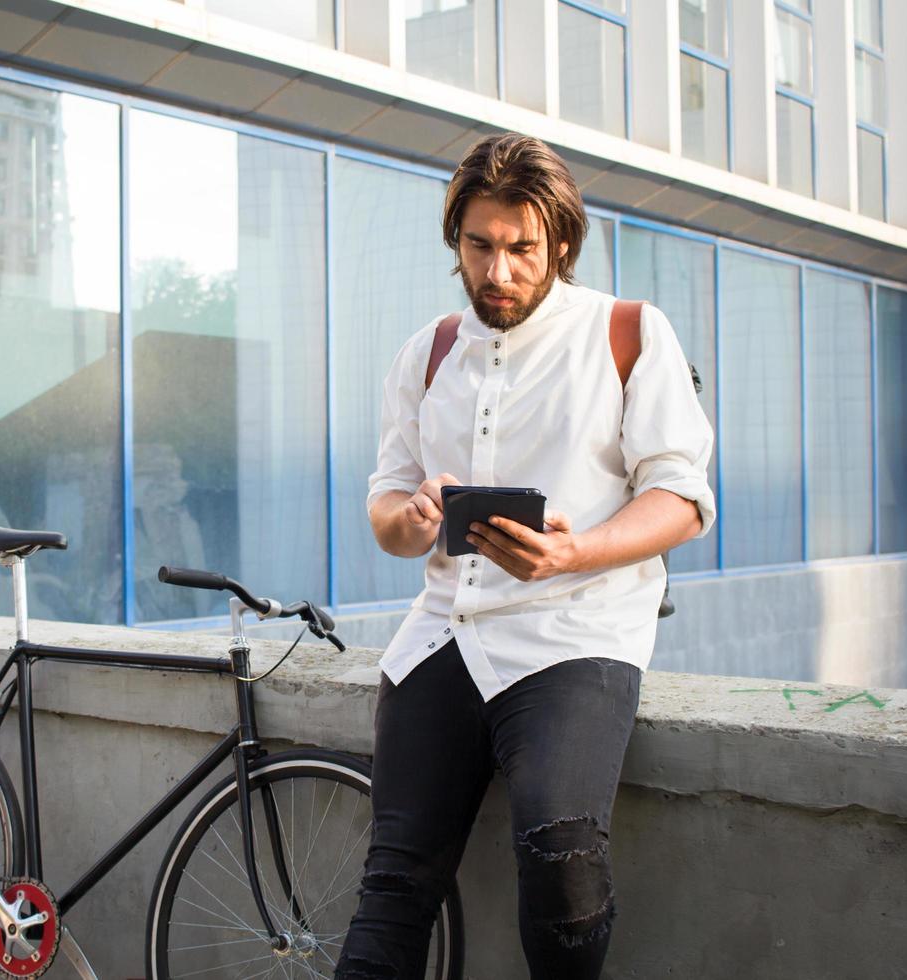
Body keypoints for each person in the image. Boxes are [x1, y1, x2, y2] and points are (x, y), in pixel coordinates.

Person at [335, 133, 716, 979]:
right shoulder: (427, 353)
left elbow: (682, 500)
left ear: (561, 246)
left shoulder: (627, 332)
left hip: (575, 636)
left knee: (560, 850)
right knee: (392, 885)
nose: (498, 271)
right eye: (479, 246)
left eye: (520, 249)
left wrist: (575, 552)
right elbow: (385, 510)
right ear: (456, 242)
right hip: (444, 637)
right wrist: (416, 516)